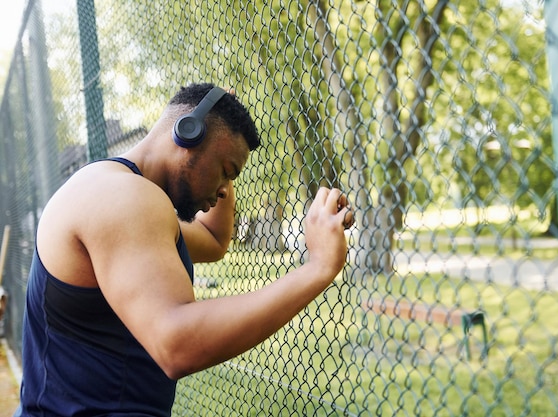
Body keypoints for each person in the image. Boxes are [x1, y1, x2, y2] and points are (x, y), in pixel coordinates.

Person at [14, 83, 354, 416]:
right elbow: (177, 346)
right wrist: (318, 266)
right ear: (187, 132)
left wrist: (223, 137)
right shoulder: (124, 199)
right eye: (225, 172)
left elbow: (214, 240)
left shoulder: (116, 190)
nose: (224, 191)